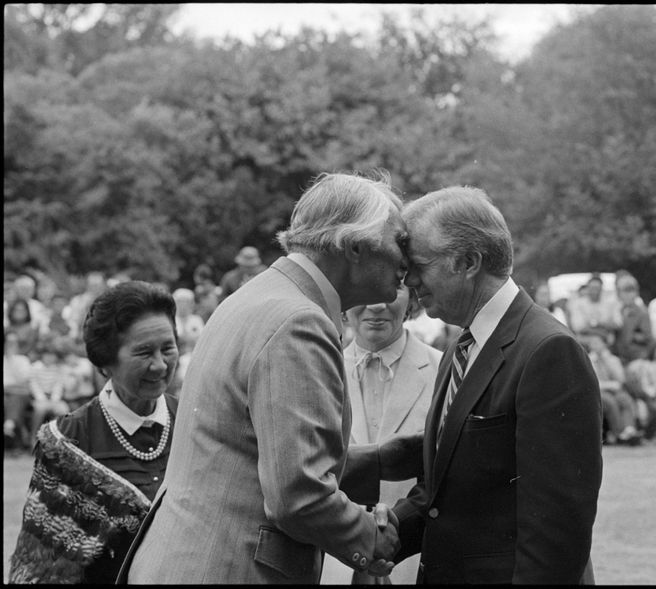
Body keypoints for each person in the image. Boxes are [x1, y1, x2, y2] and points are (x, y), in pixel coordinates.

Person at [122, 173, 407, 584]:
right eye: (398, 241)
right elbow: (298, 496)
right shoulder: (299, 321)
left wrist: (382, 459)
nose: (407, 259)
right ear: (355, 246)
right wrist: (370, 540)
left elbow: (252, 451)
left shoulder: (260, 296)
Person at [392, 186, 602, 584]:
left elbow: (556, 534)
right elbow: (445, 492)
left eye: (418, 264)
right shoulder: (463, 346)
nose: (409, 280)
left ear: (469, 261)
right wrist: (380, 533)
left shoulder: (548, 351)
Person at [8, 281, 180, 583]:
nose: (160, 365)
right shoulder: (68, 442)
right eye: (143, 352)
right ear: (105, 361)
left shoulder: (197, 422)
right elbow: (40, 566)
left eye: (167, 348)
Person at [321, 284, 442, 584]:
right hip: (333, 561)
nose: (376, 305)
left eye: (394, 289)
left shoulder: (444, 369)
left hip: (416, 561)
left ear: (413, 297)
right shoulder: (318, 372)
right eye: (364, 289)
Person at [583, 329, 642, 445]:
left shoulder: (613, 359)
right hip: (598, 391)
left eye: (597, 342)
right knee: (610, 402)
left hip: (614, 390)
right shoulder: (588, 359)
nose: (594, 345)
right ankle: (619, 433)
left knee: (624, 399)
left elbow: (620, 379)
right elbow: (592, 382)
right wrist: (610, 385)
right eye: (592, 343)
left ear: (604, 344)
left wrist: (607, 361)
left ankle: (629, 430)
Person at [566, 274, 622, 346]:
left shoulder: (610, 303)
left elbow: (618, 324)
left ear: (601, 289)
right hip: (585, 339)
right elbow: (578, 327)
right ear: (588, 288)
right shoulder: (578, 304)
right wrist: (602, 332)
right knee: (595, 340)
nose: (595, 291)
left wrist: (597, 324)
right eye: (592, 288)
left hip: (608, 340)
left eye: (597, 288)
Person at [613, 274, 654, 365]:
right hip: (619, 357)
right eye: (625, 291)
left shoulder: (642, 312)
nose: (628, 295)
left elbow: (648, 338)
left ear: (636, 293)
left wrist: (634, 336)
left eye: (631, 290)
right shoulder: (617, 311)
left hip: (637, 357)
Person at [4, 330, 33, 451]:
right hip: (9, 394)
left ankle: (9, 425)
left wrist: (12, 360)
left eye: (14, 342)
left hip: (20, 394)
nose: (11, 345)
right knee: (9, 399)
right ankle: (11, 427)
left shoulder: (23, 360)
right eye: (9, 342)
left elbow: (24, 383)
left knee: (16, 397)